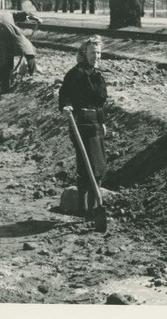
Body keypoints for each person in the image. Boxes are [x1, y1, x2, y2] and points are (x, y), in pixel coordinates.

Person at [58, 37, 108, 219]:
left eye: (99, 52)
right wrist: (66, 106)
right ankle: (84, 207)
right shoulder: (74, 74)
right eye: (93, 53)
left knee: (99, 166)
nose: (96, 56)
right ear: (84, 53)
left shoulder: (97, 74)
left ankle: (94, 207)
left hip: (95, 123)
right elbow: (64, 94)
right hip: (79, 123)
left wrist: (102, 122)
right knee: (87, 164)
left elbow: (100, 102)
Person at [0, 10, 41, 93]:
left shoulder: (5, 16)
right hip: (6, 27)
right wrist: (36, 18)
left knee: (5, 57)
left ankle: (5, 87)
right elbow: (25, 13)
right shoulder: (12, 13)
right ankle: (32, 73)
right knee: (28, 47)